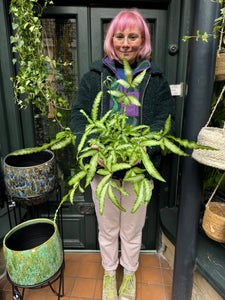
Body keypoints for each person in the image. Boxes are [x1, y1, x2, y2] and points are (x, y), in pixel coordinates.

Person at [70, 9, 175, 300]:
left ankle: (128, 274)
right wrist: (92, 145)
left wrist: (144, 150)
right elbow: (78, 119)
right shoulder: (95, 77)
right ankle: (108, 272)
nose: (125, 43)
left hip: (138, 172)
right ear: (111, 39)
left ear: (143, 41)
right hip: (103, 171)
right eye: (120, 36)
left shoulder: (155, 80)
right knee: (107, 229)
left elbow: (163, 122)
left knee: (132, 229)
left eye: (133, 36)